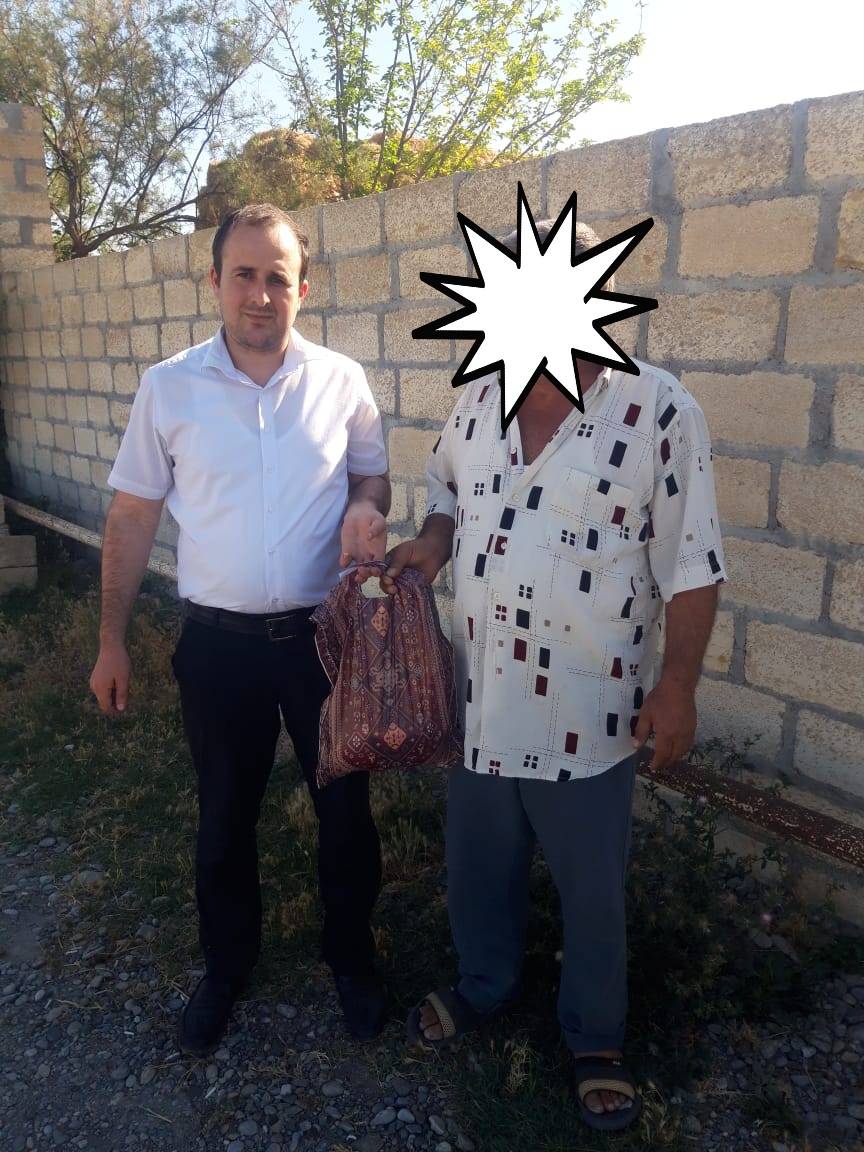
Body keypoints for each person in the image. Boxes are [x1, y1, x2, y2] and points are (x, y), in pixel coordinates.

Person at [382, 219, 725, 1132]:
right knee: (477, 867)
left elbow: (693, 560)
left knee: (591, 888)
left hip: (588, 711)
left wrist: (679, 685)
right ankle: (484, 984)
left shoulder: (658, 410)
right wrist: (434, 540)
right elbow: (446, 486)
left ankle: (594, 1035)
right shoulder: (476, 402)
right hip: (481, 702)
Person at [89, 204, 391, 1056]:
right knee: (223, 817)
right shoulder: (169, 387)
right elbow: (133, 515)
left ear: (304, 288)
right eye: (244, 275)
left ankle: (351, 959)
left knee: (346, 814)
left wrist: (366, 509)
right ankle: (226, 967)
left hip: (324, 641)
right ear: (215, 282)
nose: (261, 294)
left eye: (278, 278)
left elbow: (373, 479)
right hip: (218, 647)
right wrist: (111, 639)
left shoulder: (341, 381)